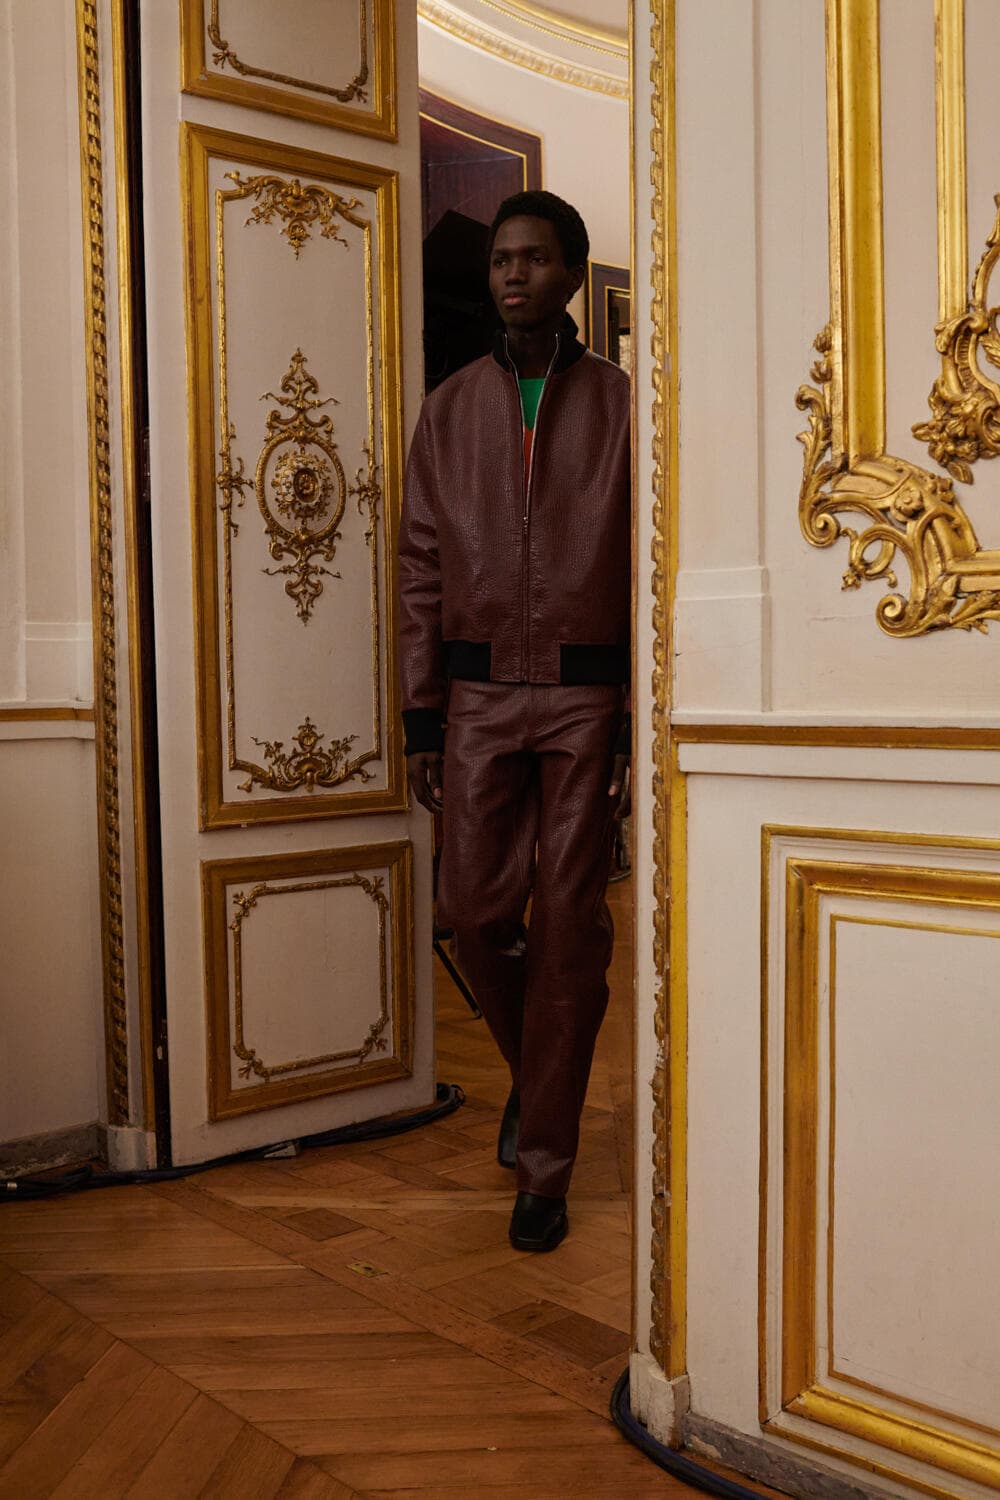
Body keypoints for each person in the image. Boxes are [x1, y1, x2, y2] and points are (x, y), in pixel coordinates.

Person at [398, 190, 630, 1253]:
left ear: (572, 274)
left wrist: (633, 716)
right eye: (501, 261)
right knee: (471, 913)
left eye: (534, 259)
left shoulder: (623, 406)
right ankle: (538, 1078)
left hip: (585, 700)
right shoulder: (448, 410)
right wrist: (421, 714)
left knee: (570, 925)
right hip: (480, 699)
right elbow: (420, 567)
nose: (513, 276)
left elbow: (649, 563)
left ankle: (545, 1167)